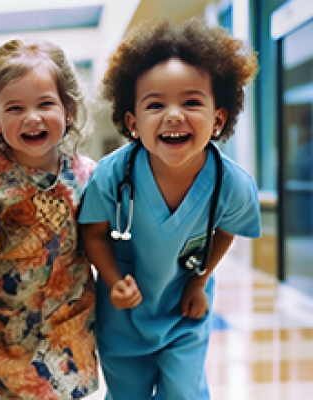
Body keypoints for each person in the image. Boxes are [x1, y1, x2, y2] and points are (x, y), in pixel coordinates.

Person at [78, 18, 261, 399]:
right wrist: (113, 281)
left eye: (191, 102)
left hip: (184, 308)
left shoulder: (232, 184)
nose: (174, 115)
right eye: (155, 104)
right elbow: (93, 233)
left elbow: (225, 231)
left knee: (183, 393)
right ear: (133, 122)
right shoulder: (111, 175)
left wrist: (198, 282)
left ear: (218, 119)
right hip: (124, 314)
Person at [0, 38, 100, 399]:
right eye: (14, 108)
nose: (31, 117)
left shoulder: (89, 176)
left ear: (68, 110)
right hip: (6, 327)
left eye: (45, 104)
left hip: (69, 324)